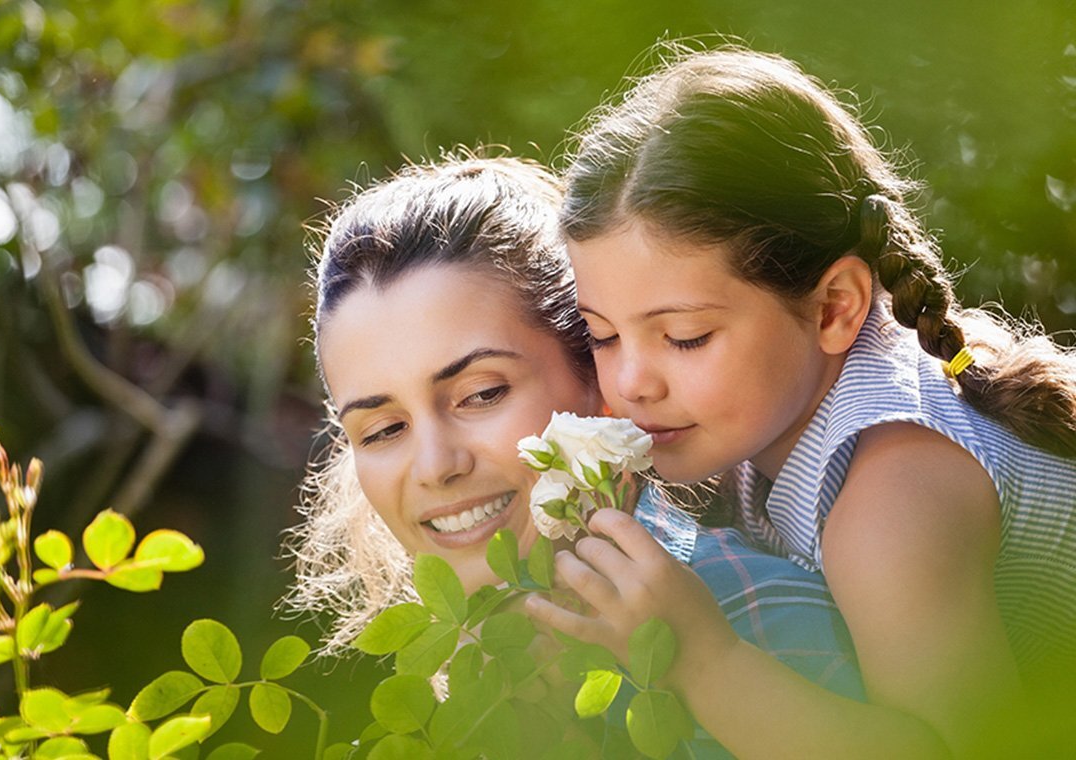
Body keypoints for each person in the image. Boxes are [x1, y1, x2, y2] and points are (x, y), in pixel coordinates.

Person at [527, 44, 1076, 758]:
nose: (631, 383)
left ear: (833, 308)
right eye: (601, 335)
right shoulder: (780, 418)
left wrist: (701, 658)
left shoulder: (890, 500)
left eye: (685, 338)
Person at [283, 154, 863, 754]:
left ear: (599, 382)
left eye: (482, 394)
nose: (436, 465)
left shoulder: (763, 624)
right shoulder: (463, 681)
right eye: (381, 430)